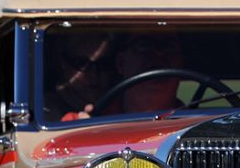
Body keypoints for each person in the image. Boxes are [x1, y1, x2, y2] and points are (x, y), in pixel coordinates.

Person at [52, 31, 184, 121]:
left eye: (169, 46)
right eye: (144, 45)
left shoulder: (200, 122)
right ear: (121, 63)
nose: (159, 54)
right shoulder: (84, 122)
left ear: (181, 62)